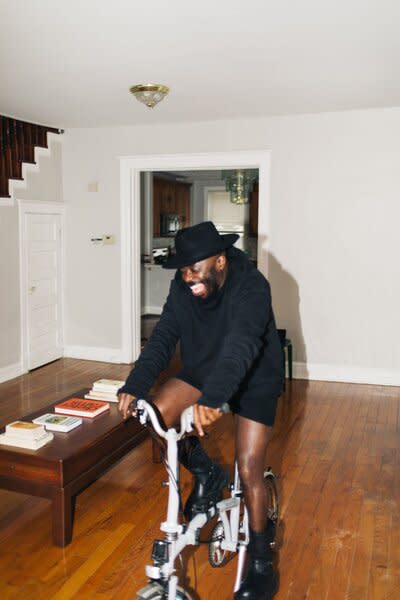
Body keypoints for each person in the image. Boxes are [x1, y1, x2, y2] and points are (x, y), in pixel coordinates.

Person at [118, 221, 284, 600]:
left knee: (250, 466)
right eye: (183, 269)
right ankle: (207, 473)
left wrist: (213, 399)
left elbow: (242, 344)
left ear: (221, 261)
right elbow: (163, 336)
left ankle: (261, 563)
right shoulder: (183, 287)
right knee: (156, 416)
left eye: (196, 268)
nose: (188, 276)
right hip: (205, 369)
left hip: (254, 375)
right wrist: (136, 384)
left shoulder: (252, 286)